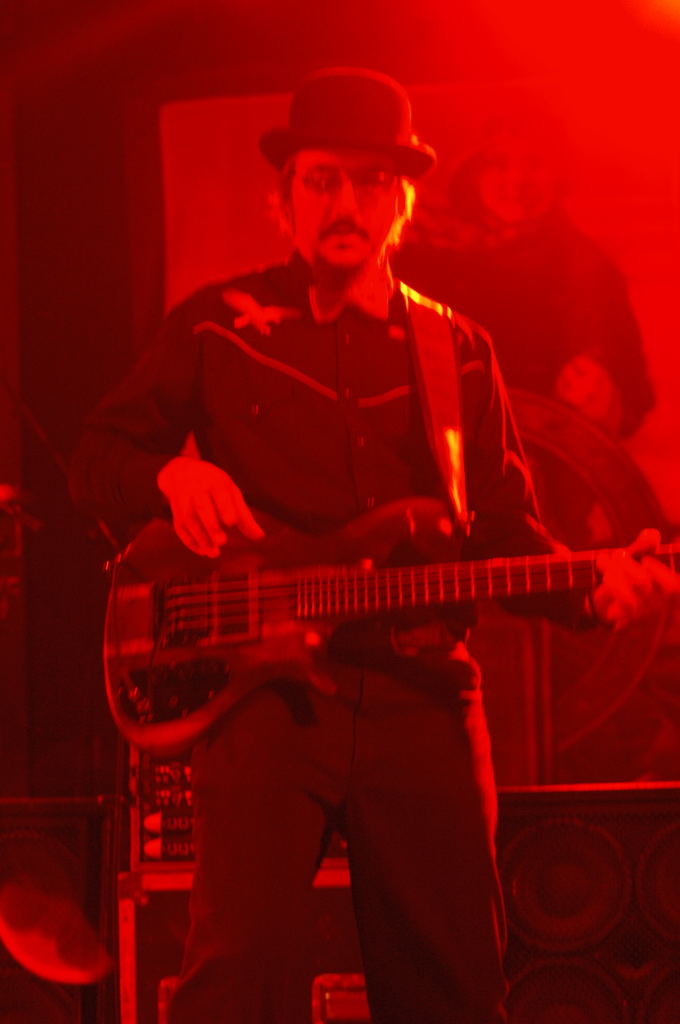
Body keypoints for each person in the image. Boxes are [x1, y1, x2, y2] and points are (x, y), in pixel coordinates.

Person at [69, 68, 677, 1024]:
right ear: (284, 199)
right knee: (234, 983)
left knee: (452, 989)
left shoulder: (456, 349)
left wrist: (593, 590)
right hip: (264, 704)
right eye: (321, 180)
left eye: (368, 180)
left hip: (421, 697)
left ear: (403, 203)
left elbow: (503, 532)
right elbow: (96, 459)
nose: (343, 203)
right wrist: (170, 479)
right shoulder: (218, 326)